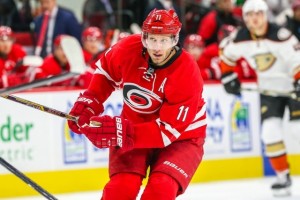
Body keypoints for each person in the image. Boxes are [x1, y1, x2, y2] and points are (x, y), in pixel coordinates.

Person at [67, 9, 207, 200]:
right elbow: (106, 72)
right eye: (152, 40)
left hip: (181, 137)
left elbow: (167, 132)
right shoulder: (128, 48)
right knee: (120, 190)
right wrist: (90, 102)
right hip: (136, 123)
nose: (157, 48)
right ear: (144, 37)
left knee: (160, 191)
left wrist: (122, 132)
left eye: (164, 40)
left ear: (175, 40)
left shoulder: (187, 71)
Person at [219, 0, 300, 196]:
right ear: (245, 18)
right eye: (250, 15)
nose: (254, 19)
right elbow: (225, 53)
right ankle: (282, 176)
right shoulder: (239, 38)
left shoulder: (281, 36)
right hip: (268, 92)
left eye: (258, 14)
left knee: (298, 130)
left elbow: (297, 59)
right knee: (269, 133)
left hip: (293, 89)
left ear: (265, 15)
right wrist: (228, 75)